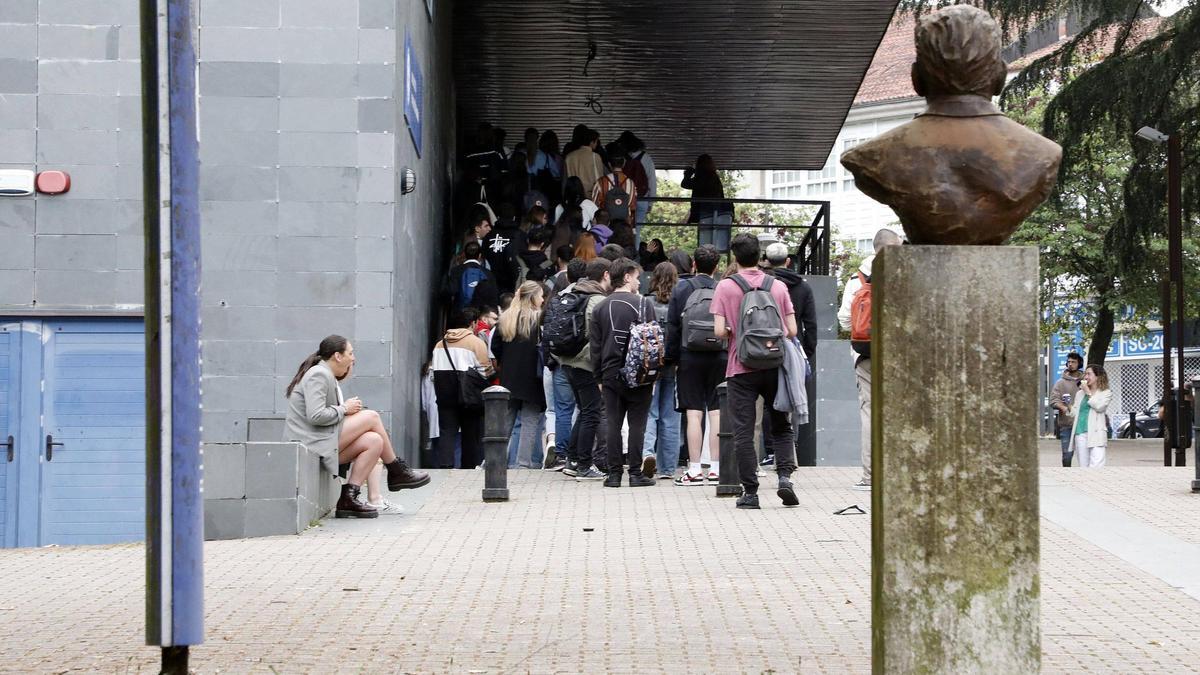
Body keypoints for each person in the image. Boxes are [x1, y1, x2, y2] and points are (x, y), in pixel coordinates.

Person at [284, 335, 430, 518]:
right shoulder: (319, 374)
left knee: (374, 441)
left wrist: (344, 411)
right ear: (338, 356)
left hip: (321, 439)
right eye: (351, 353)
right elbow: (316, 416)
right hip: (312, 441)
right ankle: (396, 470)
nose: (353, 358)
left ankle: (349, 498)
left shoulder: (325, 375)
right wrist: (344, 409)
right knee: (372, 417)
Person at [711, 234, 799, 509]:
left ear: (735, 257)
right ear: (759, 257)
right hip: (775, 365)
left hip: (741, 367)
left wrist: (734, 332)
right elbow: (792, 330)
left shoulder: (725, 287)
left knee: (743, 431)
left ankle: (750, 492)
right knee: (781, 425)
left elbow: (718, 332)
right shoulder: (778, 286)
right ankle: (784, 477)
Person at [838, 228, 903, 490]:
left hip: (865, 353)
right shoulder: (904, 275)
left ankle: (870, 477)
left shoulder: (857, 279)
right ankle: (898, 474)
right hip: (898, 352)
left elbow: (844, 319)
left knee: (869, 413)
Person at [589, 257, 657, 488]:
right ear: (627, 277)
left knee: (613, 423)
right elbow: (653, 341)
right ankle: (636, 474)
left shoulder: (599, 307)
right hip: (640, 373)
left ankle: (614, 474)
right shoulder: (643, 304)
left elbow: (595, 347)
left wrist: (598, 376)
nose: (639, 282)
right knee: (638, 424)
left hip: (610, 372)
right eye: (637, 277)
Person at [668, 245, 727, 485]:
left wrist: (671, 359)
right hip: (719, 355)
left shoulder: (681, 288)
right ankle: (715, 468)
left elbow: (672, 326)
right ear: (717, 267)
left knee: (693, 413)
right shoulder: (724, 288)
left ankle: (693, 470)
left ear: (694, 264)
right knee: (716, 412)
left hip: (689, 355)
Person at [553, 257, 612, 480]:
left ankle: (572, 459)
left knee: (584, 410)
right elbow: (601, 335)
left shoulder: (574, 292)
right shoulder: (596, 300)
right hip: (585, 363)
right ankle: (584, 465)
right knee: (592, 413)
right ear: (605, 275)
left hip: (567, 361)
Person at [493, 282, 547, 469]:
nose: (542, 299)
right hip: (532, 377)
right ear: (532, 297)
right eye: (540, 296)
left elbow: (495, 349)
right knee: (530, 422)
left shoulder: (505, 318)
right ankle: (523, 464)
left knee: (505, 422)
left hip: (509, 376)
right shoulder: (539, 319)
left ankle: (494, 462)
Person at [431, 311, 494, 468]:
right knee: (470, 431)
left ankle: (445, 466)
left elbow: (434, 372)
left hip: (444, 391)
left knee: (447, 430)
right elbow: (486, 371)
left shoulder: (440, 344)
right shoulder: (475, 342)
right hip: (469, 394)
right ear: (472, 324)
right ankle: (468, 467)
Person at [643, 261, 680, 479]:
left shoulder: (645, 303)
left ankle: (647, 454)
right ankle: (668, 468)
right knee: (671, 416)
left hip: (649, 365)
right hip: (673, 364)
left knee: (650, 413)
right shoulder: (679, 302)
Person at [682, 154, 733, 250]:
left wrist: (688, 173)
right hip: (715, 211)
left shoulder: (702, 177)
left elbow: (685, 184)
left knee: (704, 241)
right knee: (713, 239)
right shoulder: (714, 176)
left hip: (704, 212)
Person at [1071, 364, 1112, 468]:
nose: (1085, 377)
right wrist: (1067, 406)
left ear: (1098, 376)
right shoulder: (1080, 393)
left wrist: (1088, 392)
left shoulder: (1106, 393)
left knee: (1097, 466)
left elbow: (1100, 407)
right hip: (1080, 432)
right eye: (1085, 374)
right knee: (1083, 467)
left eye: (1089, 374)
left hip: (1096, 432)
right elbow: (1074, 413)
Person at [591, 142, 638, 227]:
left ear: (609, 164)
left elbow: (594, 205)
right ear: (624, 163)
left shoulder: (600, 182)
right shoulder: (630, 183)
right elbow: (632, 206)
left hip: (605, 225)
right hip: (623, 226)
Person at [1049, 352, 1084, 467]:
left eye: (1073, 362)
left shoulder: (1085, 381)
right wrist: (1064, 408)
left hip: (1083, 424)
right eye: (1069, 362)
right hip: (1066, 424)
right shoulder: (1060, 383)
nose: (1070, 364)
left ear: (1079, 364)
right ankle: (1067, 476)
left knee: (1084, 456)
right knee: (1067, 456)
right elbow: (1053, 400)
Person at [446, 241, 500, 312]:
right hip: (480, 313)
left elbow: (451, 290)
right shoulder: (488, 273)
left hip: (460, 313)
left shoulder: (457, 270)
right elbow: (493, 297)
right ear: (479, 256)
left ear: (464, 254)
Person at [565, 128, 604, 196]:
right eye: (596, 141)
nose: (597, 144)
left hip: (573, 196)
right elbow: (600, 179)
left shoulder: (569, 157)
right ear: (592, 142)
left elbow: (565, 179)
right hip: (590, 196)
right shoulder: (595, 157)